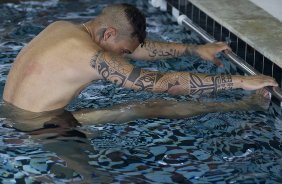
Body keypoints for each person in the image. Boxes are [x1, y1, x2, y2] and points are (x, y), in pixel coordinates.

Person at [2, 3, 278, 132]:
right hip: (39, 125)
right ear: (108, 34)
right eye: (123, 52)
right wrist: (240, 82)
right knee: (148, 106)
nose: (126, 56)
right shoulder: (90, 56)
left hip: (10, 111)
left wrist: (195, 48)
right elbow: (161, 82)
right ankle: (245, 105)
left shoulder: (63, 28)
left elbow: (138, 48)